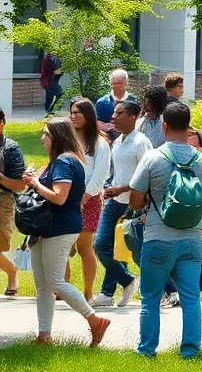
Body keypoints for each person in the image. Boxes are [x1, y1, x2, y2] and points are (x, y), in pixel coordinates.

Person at [128, 100, 202, 358]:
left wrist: (148, 198)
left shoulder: (152, 158)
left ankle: (147, 351)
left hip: (158, 236)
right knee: (191, 298)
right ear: (188, 127)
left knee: (150, 298)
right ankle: (190, 352)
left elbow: (135, 201)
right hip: (192, 239)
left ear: (165, 125)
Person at [24, 117, 111, 346]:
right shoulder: (59, 161)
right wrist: (33, 180)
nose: (42, 138)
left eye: (45, 134)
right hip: (45, 228)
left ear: (56, 137)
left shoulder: (65, 162)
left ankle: (94, 319)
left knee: (54, 282)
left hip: (60, 228)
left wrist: (35, 183)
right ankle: (44, 336)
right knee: (43, 284)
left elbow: (59, 197)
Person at [92, 99, 149, 308]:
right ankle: (126, 281)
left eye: (119, 113)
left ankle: (109, 292)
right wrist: (109, 188)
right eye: (114, 113)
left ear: (133, 117)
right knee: (100, 245)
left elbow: (147, 176)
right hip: (114, 201)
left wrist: (123, 188)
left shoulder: (141, 142)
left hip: (133, 203)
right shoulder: (117, 141)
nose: (113, 117)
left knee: (131, 249)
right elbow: (116, 171)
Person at [69, 98, 110, 303]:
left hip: (90, 198)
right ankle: (63, 290)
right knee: (63, 245)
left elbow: (100, 176)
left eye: (78, 112)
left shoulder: (100, 143)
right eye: (72, 113)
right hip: (66, 197)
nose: (74, 116)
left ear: (88, 115)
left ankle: (88, 292)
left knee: (85, 247)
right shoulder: (68, 140)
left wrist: (84, 198)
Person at [0, 106, 28, 296]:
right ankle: (11, 271)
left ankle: (11, 270)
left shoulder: (10, 149)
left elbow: (20, 185)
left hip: (4, 200)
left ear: (2, 123)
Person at [96, 69, 132, 139]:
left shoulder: (134, 100)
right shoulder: (102, 102)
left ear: (126, 82)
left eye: (119, 83)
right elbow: (98, 123)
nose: (116, 86)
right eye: (114, 83)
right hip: (109, 139)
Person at [137, 84, 170, 149]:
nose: (145, 105)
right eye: (144, 101)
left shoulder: (166, 121)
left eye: (149, 103)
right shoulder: (140, 121)